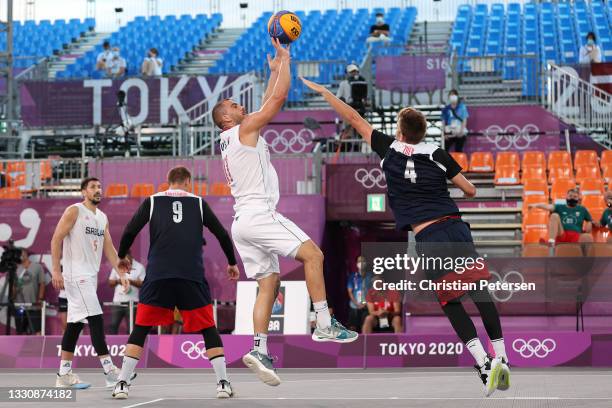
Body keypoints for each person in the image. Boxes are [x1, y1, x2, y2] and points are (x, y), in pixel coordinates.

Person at [301, 76, 511, 397]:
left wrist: (325, 91)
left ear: (399, 132)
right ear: (424, 132)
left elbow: (354, 118)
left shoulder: (390, 150)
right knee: (480, 292)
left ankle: (483, 363)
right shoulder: (438, 153)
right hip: (455, 226)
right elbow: (470, 189)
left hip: (429, 236)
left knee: (452, 301)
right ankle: (503, 358)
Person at [212, 38, 357, 387]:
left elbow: (265, 101)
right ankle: (323, 322)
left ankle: (259, 349)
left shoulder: (234, 136)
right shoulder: (242, 129)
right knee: (314, 254)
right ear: (226, 117)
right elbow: (275, 101)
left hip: (241, 223)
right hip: (260, 214)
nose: (238, 104)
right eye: (232, 103)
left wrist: (275, 69)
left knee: (268, 284)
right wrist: (287, 60)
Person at [111, 166, 239, 400]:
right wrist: (231, 262)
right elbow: (222, 234)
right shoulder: (198, 203)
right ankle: (223, 383)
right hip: (191, 276)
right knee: (208, 328)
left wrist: (121, 257)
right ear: (188, 182)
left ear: (168, 182)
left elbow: (129, 231)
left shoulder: (152, 201)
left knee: (141, 327)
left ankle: (122, 383)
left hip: (159, 275)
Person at [50, 177, 131, 389]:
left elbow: (110, 250)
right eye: (93, 187)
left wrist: (121, 274)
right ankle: (110, 370)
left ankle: (64, 374)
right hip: (76, 275)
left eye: (99, 187)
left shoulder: (102, 217)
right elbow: (56, 239)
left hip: (89, 276)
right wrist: (56, 270)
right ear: (83, 192)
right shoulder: (74, 211)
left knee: (75, 325)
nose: (98, 190)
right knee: (95, 318)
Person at [529, 189, 593, 245]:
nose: (572, 198)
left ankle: (585, 258)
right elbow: (548, 207)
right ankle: (551, 242)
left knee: (587, 236)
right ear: (566, 197)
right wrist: (535, 205)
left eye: (575, 197)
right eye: (570, 196)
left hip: (576, 235)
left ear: (578, 198)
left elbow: (589, 220)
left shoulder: (582, 209)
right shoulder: (560, 207)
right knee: (554, 215)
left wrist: (588, 228)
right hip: (562, 234)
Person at [108, 252, 145, 335]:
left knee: (131, 328)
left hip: (132, 303)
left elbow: (143, 283)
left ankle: (130, 346)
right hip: (117, 302)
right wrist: (118, 281)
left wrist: (131, 282)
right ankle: (112, 345)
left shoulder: (139, 267)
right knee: (113, 326)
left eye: (127, 261)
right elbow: (110, 282)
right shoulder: (117, 266)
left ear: (131, 257)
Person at [13, 248, 46, 335]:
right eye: (19, 254)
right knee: (20, 331)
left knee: (37, 331)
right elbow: (13, 286)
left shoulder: (37, 267)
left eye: (22, 253)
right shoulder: (15, 268)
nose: (20, 255)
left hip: (34, 305)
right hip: (19, 305)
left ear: (26, 254)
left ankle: (38, 348)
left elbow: (42, 283)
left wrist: (40, 299)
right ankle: (21, 348)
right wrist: (12, 298)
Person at [346, 255, 368, 332]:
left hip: (367, 306)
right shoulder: (352, 276)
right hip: (354, 305)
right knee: (352, 328)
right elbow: (350, 291)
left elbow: (373, 292)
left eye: (363, 261)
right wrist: (357, 304)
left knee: (365, 327)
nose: (361, 263)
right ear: (356, 263)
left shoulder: (370, 276)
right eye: (359, 261)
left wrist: (365, 304)